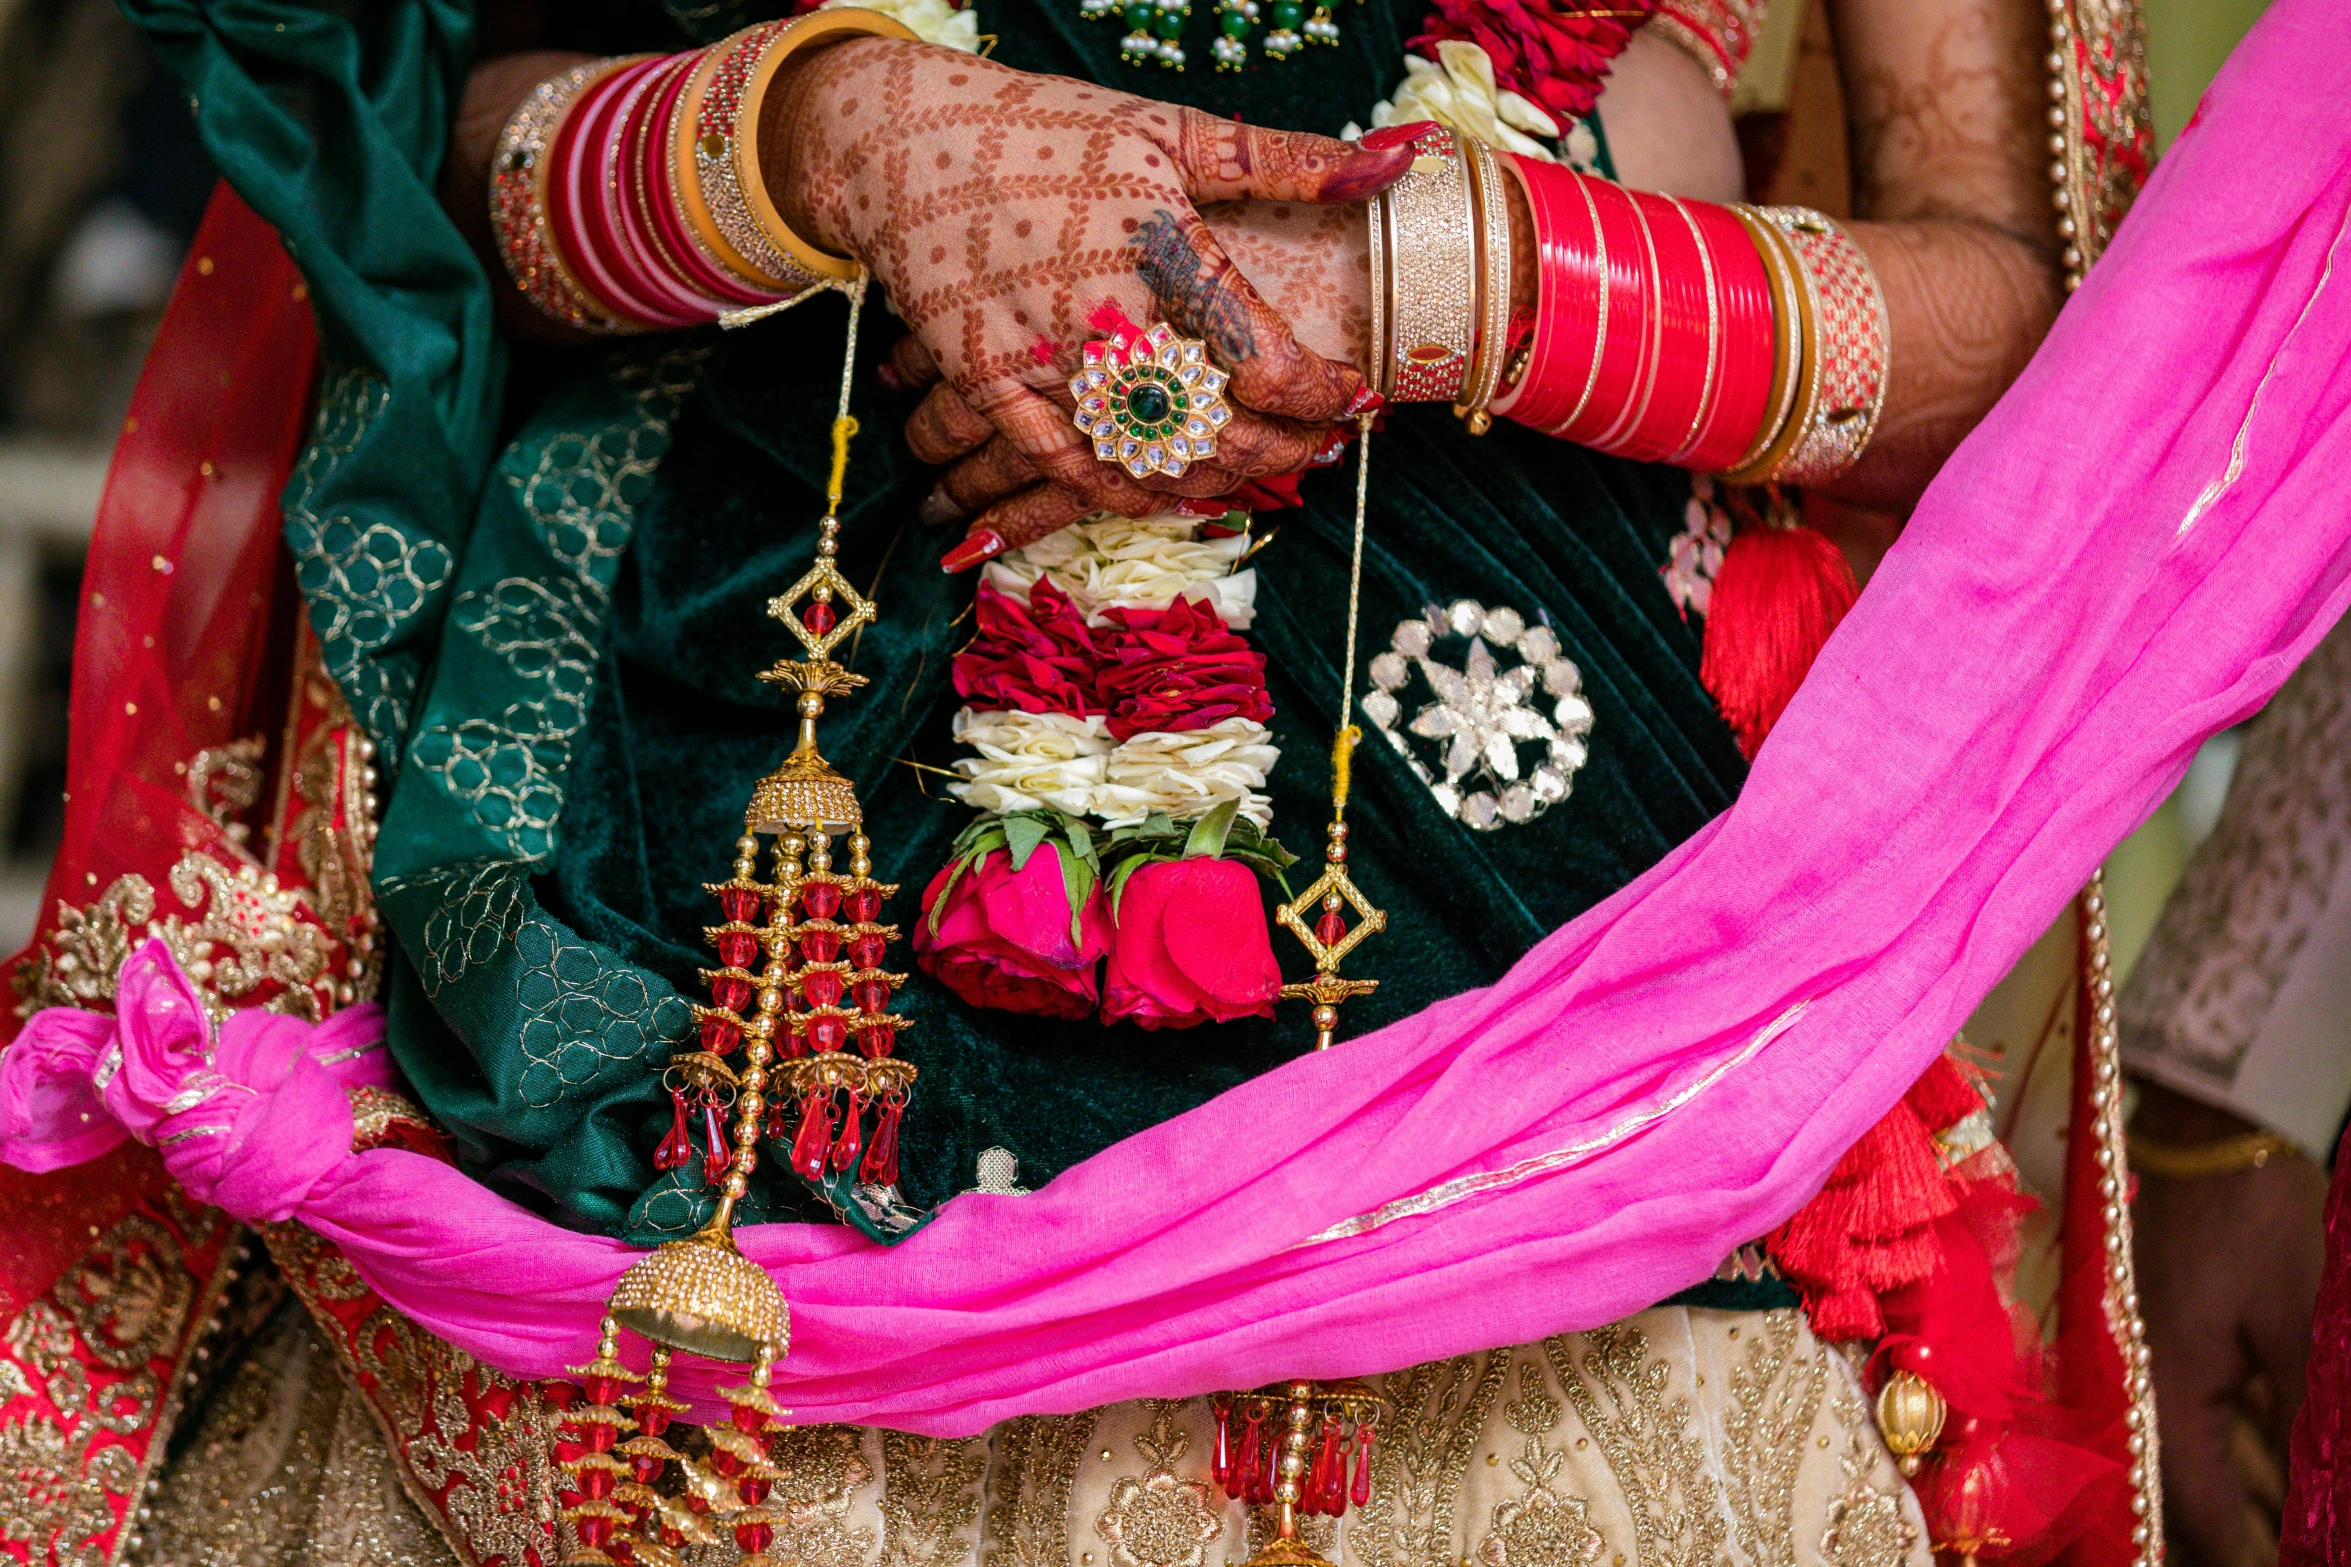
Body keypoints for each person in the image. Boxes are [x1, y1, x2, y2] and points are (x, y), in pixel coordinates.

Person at [0, 0, 2170, 1561]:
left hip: (1532, 838)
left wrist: (1422, 282)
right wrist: (835, 136)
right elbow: (468, 166)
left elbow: (2004, 305)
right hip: (737, 804)